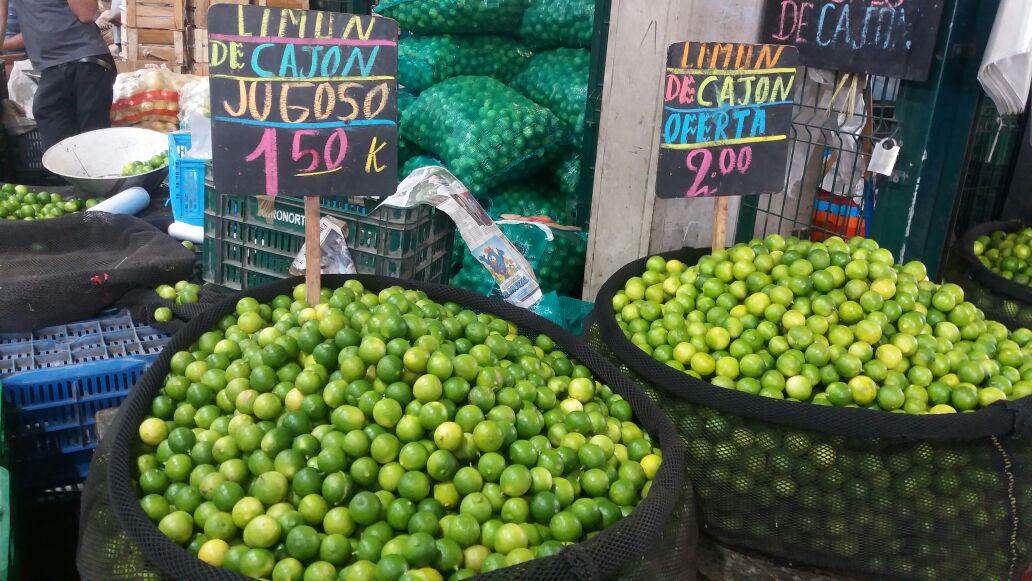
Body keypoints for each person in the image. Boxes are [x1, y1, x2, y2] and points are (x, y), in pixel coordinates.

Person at [0, 0, 117, 149]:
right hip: (52, 67)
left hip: (86, 62)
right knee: (59, 149)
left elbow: (86, 14)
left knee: (92, 145)